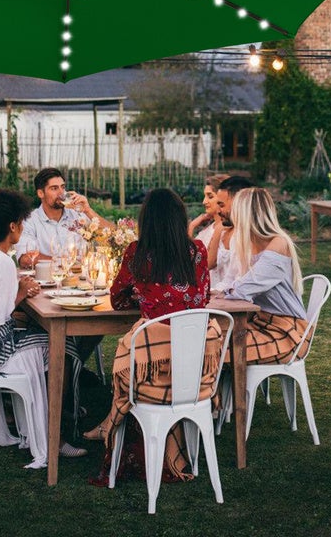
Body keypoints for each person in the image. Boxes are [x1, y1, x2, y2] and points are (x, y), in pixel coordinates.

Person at [84, 188, 223, 486]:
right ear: (180, 218)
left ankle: (111, 423)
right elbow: (204, 297)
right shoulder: (197, 251)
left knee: (129, 364)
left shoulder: (137, 252)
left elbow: (117, 299)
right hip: (193, 376)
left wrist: (144, 299)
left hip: (153, 378)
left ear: (146, 220)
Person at [0, 187, 86, 467]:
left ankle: (49, 425)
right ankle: (55, 436)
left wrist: (18, 290)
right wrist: (21, 294)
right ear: (12, 226)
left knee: (51, 340)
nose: (23, 227)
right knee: (63, 348)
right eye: (21, 222)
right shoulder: (0, 261)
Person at [215, 187, 309, 364]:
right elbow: (236, 284)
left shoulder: (278, 244)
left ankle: (224, 383)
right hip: (260, 323)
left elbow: (243, 289)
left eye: (236, 210)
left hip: (288, 332)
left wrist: (224, 291)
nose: (233, 215)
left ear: (245, 214)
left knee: (216, 350)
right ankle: (224, 383)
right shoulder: (251, 244)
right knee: (211, 342)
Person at [15, 167, 114, 268]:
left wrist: (88, 211)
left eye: (62, 187)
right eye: (54, 188)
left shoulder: (77, 214)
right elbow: (25, 259)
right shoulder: (29, 221)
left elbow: (113, 234)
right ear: (41, 193)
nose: (61, 193)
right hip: (48, 277)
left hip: (81, 276)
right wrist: (65, 262)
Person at [206, 175, 253, 291]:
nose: (218, 210)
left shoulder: (251, 236)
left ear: (239, 202)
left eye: (221, 205)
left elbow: (241, 286)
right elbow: (229, 280)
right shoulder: (235, 234)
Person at [187, 174, 228, 247]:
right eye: (205, 196)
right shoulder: (206, 231)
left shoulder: (227, 232)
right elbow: (188, 252)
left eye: (210, 196)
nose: (204, 202)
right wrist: (192, 226)